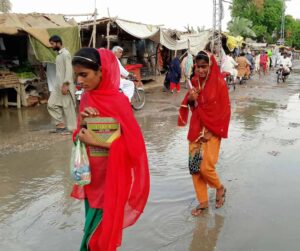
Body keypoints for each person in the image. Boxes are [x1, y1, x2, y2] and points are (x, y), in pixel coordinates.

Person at [71, 48, 150, 251]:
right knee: (94, 230)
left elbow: (135, 149)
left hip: (112, 180)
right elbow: (78, 136)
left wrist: (98, 142)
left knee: (97, 239)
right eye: (76, 75)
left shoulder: (119, 102)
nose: (79, 81)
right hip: (92, 177)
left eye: (84, 74)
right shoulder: (87, 98)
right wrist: (83, 125)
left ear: (101, 71)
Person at [178, 51, 231, 216]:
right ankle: (202, 202)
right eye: (198, 66)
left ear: (210, 66)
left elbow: (225, 111)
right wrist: (191, 99)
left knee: (206, 167)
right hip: (196, 129)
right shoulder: (194, 82)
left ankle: (220, 188)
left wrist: (211, 132)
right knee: (195, 168)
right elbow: (193, 107)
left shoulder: (219, 84)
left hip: (212, 131)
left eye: (204, 66)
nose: (200, 70)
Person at [47, 35, 76, 133]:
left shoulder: (65, 54)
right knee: (51, 104)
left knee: (68, 107)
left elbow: (69, 70)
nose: (51, 46)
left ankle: (73, 129)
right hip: (57, 85)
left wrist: (66, 84)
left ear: (58, 42)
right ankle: (60, 125)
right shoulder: (59, 55)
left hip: (65, 84)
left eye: (52, 44)